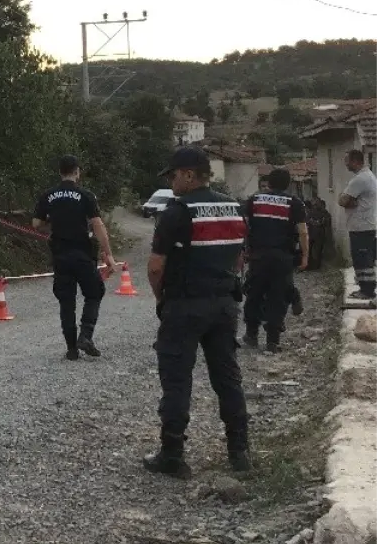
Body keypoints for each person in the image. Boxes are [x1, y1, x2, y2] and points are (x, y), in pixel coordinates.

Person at [144, 145, 250, 479]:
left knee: (177, 379)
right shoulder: (233, 208)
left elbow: (155, 267)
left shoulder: (177, 212)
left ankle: (172, 454)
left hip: (185, 305)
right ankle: (240, 452)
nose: (172, 182)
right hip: (223, 305)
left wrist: (162, 300)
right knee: (227, 377)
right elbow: (238, 258)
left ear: (189, 175)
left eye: (173, 175)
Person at [32, 154, 119, 360]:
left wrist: (54, 223)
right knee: (95, 292)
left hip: (60, 255)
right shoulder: (86, 195)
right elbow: (98, 225)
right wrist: (108, 254)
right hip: (82, 254)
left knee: (66, 301)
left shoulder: (48, 195)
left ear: (60, 172)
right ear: (77, 172)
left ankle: (71, 349)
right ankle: (86, 335)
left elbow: (36, 224)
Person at [240, 168, 309, 353]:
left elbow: (244, 227)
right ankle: (272, 340)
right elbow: (302, 231)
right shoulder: (295, 203)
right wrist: (305, 255)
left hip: (258, 257)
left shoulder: (254, 200)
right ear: (288, 185)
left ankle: (251, 334)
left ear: (268, 183)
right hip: (283, 257)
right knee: (278, 297)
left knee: (254, 294)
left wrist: (244, 250)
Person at [339, 149, 377, 302]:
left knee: (362, 258)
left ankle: (367, 291)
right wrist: (348, 200)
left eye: (347, 161)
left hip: (362, 226)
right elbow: (346, 200)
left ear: (355, 161)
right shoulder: (366, 176)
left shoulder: (360, 179)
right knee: (364, 257)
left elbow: (342, 200)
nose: (346, 164)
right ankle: (365, 287)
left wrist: (347, 200)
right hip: (364, 225)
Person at [306, 198, 330, 271]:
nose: (316, 205)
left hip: (319, 234)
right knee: (309, 250)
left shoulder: (325, 213)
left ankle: (316, 266)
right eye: (315, 203)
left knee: (318, 251)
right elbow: (307, 220)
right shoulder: (311, 212)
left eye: (317, 203)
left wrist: (316, 222)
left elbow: (325, 222)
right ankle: (309, 265)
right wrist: (316, 222)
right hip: (311, 233)